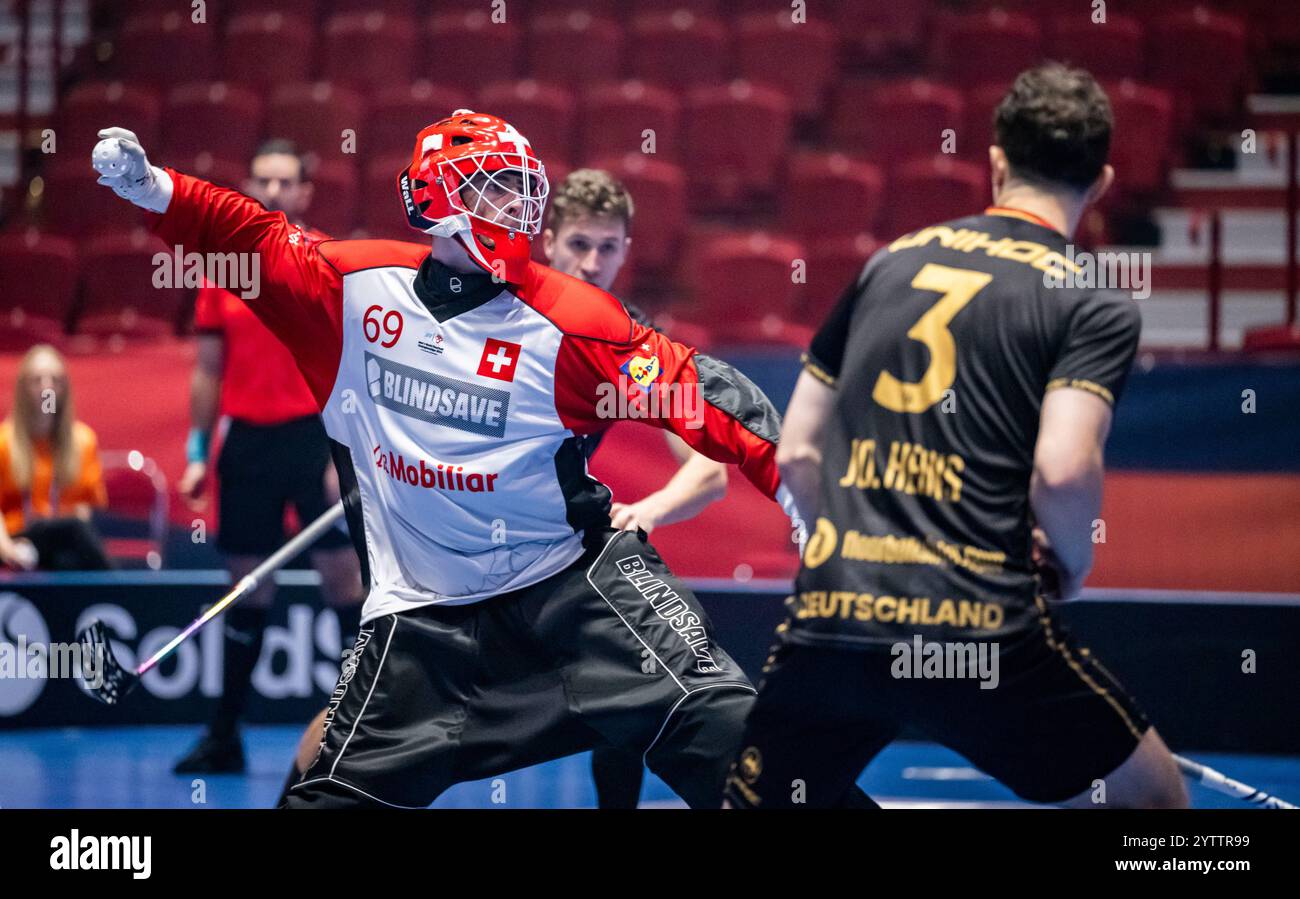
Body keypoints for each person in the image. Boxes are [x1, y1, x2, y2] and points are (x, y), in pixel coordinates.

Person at [92, 111, 874, 810]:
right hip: (421, 626)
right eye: (494, 189)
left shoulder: (573, 320)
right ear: (434, 199)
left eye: (523, 191)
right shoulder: (350, 287)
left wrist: (798, 486)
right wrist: (158, 190)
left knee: (743, 748)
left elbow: (702, 394)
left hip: (582, 594)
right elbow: (250, 236)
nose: (520, 210)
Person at [724, 65, 1189, 809]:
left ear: (996, 162)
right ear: (1101, 183)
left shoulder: (888, 263)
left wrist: (842, 549)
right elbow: (1065, 471)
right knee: (1156, 806)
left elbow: (800, 450)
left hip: (835, 622)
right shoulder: (1093, 298)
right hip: (980, 632)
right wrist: (1070, 561)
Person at [170, 140, 365, 775]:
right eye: (263, 179)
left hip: (315, 441)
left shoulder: (324, 261)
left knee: (346, 585)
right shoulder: (219, 266)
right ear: (248, 184)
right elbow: (207, 371)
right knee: (245, 590)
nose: (274, 191)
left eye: (286, 182)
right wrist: (200, 452)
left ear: (305, 193)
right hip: (247, 445)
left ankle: (356, 737)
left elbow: (349, 365)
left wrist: (347, 455)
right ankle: (224, 736)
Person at [543, 169, 729, 806]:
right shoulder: (498, 307)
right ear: (547, 242)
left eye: (608, 247)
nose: (592, 262)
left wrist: (645, 511)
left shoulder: (631, 341)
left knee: (627, 683)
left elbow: (709, 468)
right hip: (463, 546)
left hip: (559, 545)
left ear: (626, 249)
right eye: (578, 245)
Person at [0, 344, 112, 571]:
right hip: (15, 538)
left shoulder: (82, 440)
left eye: (54, 380)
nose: (47, 389)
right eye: (37, 380)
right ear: (23, 388)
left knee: (69, 545)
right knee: (72, 530)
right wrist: (8, 550)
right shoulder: (4, 441)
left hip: (59, 539)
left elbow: (84, 509)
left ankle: (114, 595)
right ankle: (123, 591)